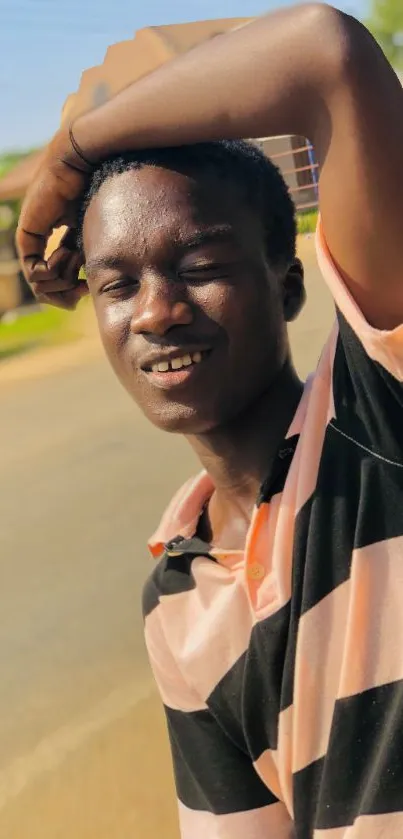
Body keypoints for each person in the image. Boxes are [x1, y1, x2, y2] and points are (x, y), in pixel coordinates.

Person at [17, 3, 403, 837]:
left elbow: (327, 55)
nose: (154, 312)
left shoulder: (380, 417)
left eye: (199, 266)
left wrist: (73, 151)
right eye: (116, 285)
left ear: (290, 286)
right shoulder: (177, 597)